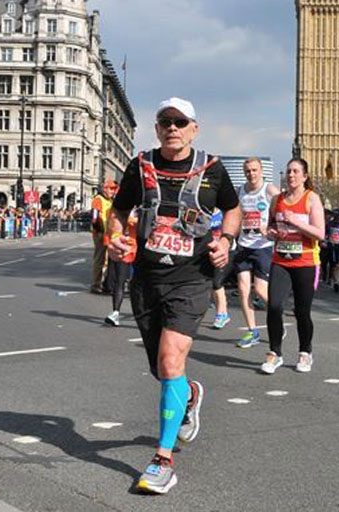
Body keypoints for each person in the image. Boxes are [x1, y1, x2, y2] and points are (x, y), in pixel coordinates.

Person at [107, 97, 240, 494]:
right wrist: (116, 235)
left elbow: (232, 210)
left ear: (194, 128)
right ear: (157, 127)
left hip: (192, 279)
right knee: (162, 370)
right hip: (147, 278)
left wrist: (227, 240)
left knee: (170, 359)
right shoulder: (141, 166)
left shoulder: (213, 169)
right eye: (165, 121)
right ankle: (190, 395)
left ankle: (162, 460)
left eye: (180, 122)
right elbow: (119, 210)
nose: (172, 128)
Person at [260, 158, 325, 374]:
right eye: (288, 171)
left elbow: (320, 233)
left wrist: (296, 222)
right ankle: (274, 353)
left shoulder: (311, 199)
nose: (291, 175)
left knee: (301, 311)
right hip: (281, 260)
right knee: (275, 306)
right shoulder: (277, 200)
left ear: (304, 176)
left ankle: (305, 352)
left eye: (296, 171)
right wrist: (270, 232)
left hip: (306, 262)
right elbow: (271, 225)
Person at [231, 157, 279, 348]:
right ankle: (252, 332)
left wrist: (270, 227)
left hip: (263, 247)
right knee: (243, 290)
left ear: (261, 171)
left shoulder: (269, 190)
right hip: (244, 245)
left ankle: (278, 320)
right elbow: (235, 214)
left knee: (260, 290)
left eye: (254, 170)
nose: (251, 174)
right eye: (248, 171)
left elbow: (281, 210)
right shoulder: (240, 191)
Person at [104, 205, 136, 327]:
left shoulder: (147, 205)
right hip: (125, 248)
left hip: (142, 248)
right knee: (120, 281)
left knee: (144, 282)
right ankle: (115, 313)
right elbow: (112, 229)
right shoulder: (117, 209)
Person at [89, 179, 118, 294]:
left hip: (109, 233)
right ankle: (95, 284)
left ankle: (106, 283)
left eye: (114, 189)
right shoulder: (98, 199)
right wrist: (99, 231)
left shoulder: (110, 200)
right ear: (104, 189)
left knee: (108, 259)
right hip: (101, 233)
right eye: (111, 189)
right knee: (100, 259)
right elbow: (94, 217)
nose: (112, 191)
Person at [323, 209, 339, 292]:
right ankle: (331, 278)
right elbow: (325, 234)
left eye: (337, 216)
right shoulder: (330, 224)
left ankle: (336, 282)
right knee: (332, 265)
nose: (336, 218)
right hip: (330, 246)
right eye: (334, 216)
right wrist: (324, 241)